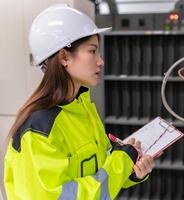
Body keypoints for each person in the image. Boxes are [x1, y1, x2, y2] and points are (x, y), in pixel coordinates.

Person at [4, 4, 155, 200]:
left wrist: (132, 170)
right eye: (92, 51)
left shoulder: (82, 109)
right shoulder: (39, 130)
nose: (100, 61)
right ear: (64, 57)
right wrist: (122, 161)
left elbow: (100, 176)